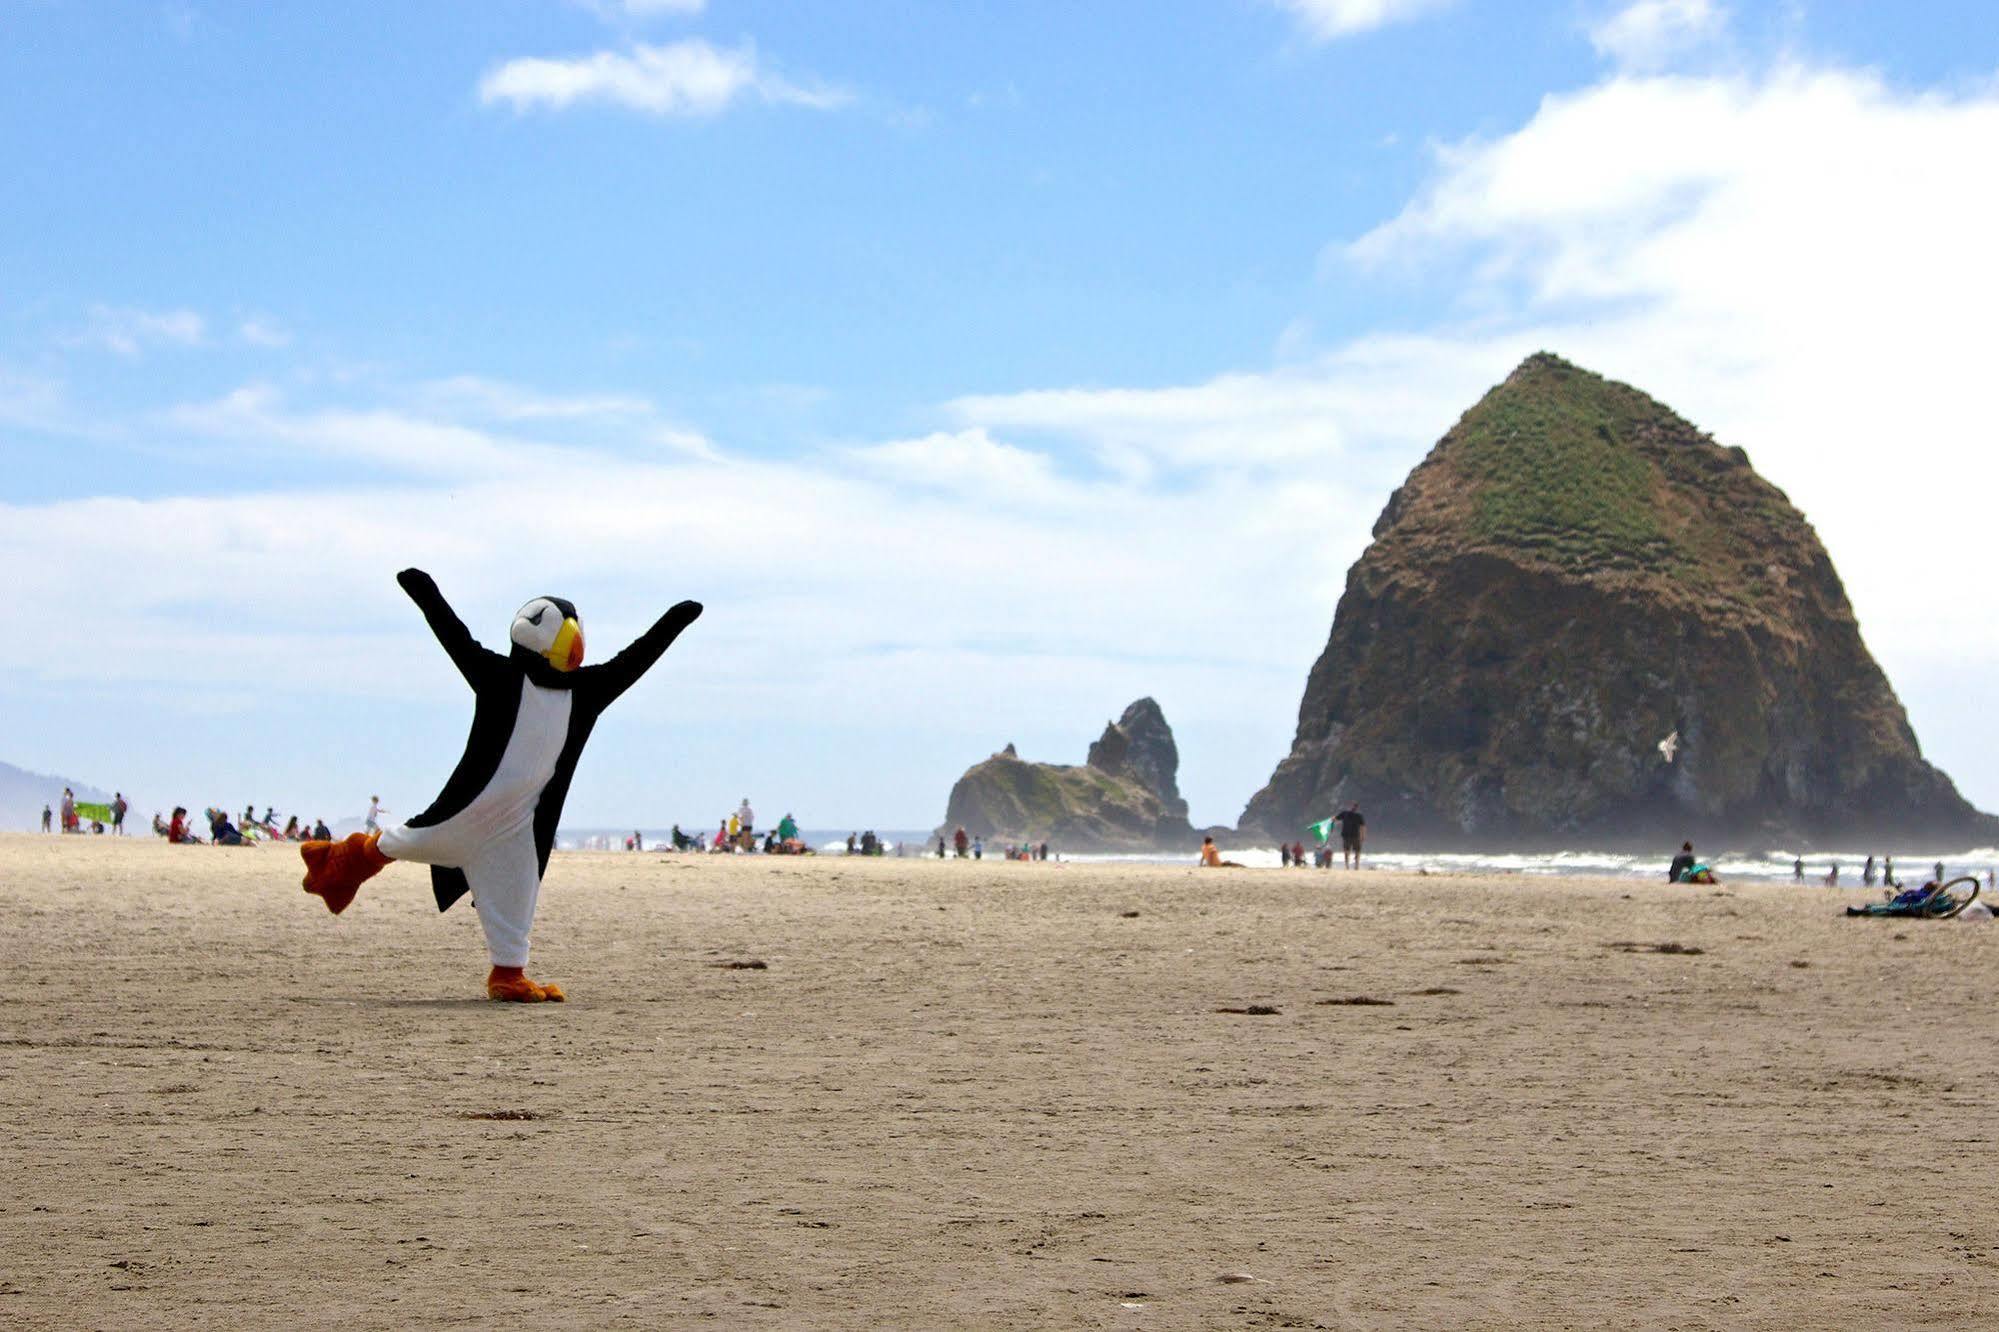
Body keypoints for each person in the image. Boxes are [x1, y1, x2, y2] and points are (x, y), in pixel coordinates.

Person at [296, 566, 701, 1003]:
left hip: (516, 833)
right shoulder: (498, 678)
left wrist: (672, 623)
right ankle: (341, 861)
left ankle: (507, 974)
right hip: (462, 817)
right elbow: (456, 638)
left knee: (516, 900)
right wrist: (426, 593)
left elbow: (633, 661)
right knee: (404, 840)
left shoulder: (585, 693)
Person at [1333, 803, 1366, 869]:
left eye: (1355, 806)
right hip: (1346, 835)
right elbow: (1335, 818)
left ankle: (1356, 865)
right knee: (1346, 851)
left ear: (1357, 808)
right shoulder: (1345, 813)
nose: (1353, 807)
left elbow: (1363, 826)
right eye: (1353, 806)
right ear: (1350, 806)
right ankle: (1347, 865)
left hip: (1355, 836)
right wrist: (1332, 820)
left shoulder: (1358, 815)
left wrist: (1363, 836)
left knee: (1357, 851)